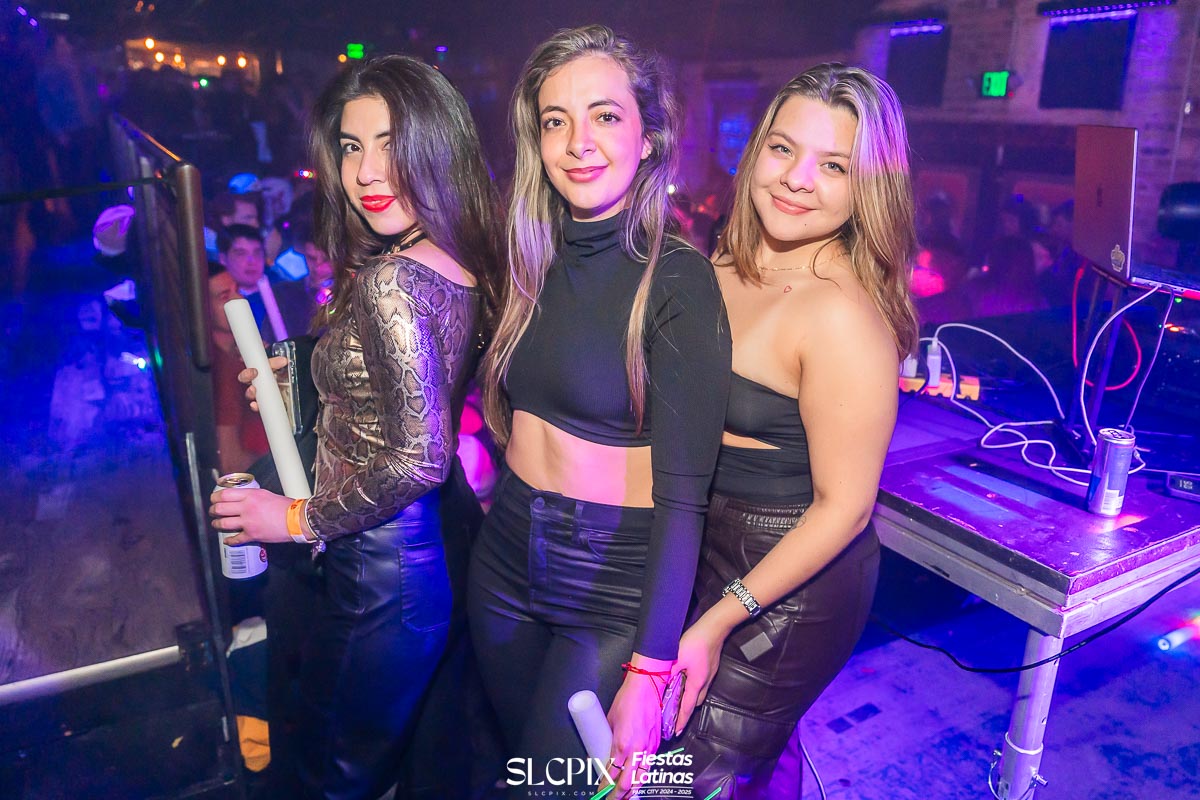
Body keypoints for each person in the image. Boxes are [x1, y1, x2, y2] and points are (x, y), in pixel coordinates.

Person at [208, 54, 503, 799]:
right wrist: (307, 372)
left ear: (435, 145)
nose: (367, 171)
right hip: (418, 564)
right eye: (350, 146)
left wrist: (291, 518)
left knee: (327, 778)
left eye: (390, 143)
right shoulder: (453, 254)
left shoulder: (391, 281)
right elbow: (409, 388)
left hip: (378, 569)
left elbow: (419, 457)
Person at [469, 25, 731, 798]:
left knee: (553, 790)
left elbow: (684, 498)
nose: (578, 142)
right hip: (503, 551)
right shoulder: (525, 255)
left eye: (605, 116)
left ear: (648, 138)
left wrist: (650, 672)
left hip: (611, 580)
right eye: (556, 121)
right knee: (521, 763)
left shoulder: (677, 281)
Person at [667, 64, 919, 798]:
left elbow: (846, 508)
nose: (797, 180)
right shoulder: (725, 261)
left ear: (868, 187)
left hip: (790, 584)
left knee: (685, 775)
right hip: (711, 546)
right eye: (782, 149)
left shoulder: (840, 315)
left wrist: (718, 620)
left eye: (833, 165)